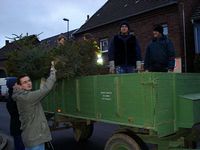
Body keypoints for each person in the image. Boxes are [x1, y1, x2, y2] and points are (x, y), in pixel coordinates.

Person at [12, 62, 56, 150]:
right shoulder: (26, 98)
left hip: (31, 138)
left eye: (29, 80)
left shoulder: (21, 96)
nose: (28, 83)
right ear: (20, 86)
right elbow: (46, 89)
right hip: (35, 139)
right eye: (24, 82)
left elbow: (39, 93)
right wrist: (53, 72)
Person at [6, 77, 25, 150]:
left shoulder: (11, 97)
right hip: (19, 129)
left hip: (16, 129)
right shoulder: (15, 99)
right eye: (18, 83)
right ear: (13, 86)